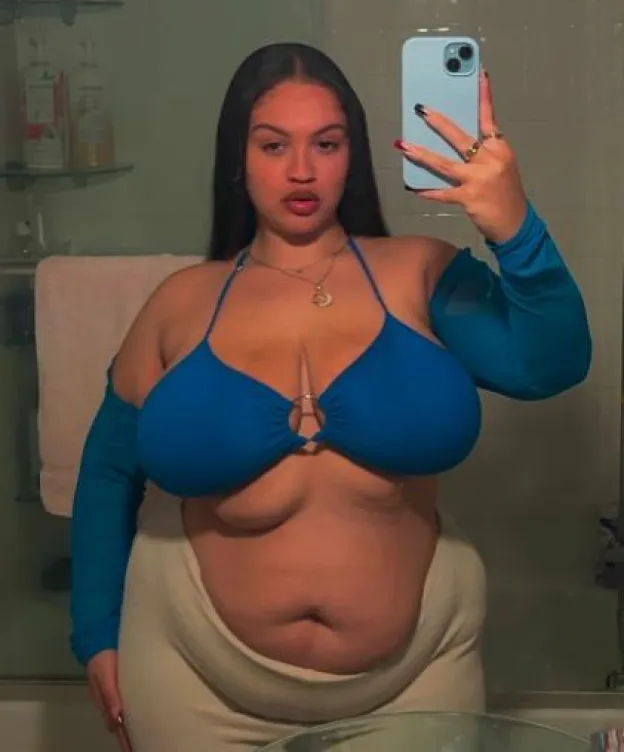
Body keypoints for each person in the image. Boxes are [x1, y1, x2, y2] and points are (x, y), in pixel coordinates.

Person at [70, 42, 591, 752]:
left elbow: (551, 364)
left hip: (413, 682)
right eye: (273, 145)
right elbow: (107, 474)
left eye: (327, 143)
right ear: (237, 159)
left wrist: (515, 228)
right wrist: (96, 634)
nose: (302, 170)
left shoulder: (420, 273)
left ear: (354, 156)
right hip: (192, 679)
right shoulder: (179, 304)